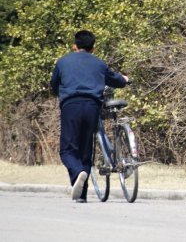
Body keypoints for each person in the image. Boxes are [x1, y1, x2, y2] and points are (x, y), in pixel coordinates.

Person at [50, 30, 129, 203]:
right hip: (92, 107)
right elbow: (115, 79)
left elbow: (54, 85)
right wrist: (124, 80)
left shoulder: (63, 62)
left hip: (71, 106)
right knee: (86, 149)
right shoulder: (99, 63)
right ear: (93, 48)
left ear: (74, 45)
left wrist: (61, 94)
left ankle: (78, 172)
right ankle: (82, 195)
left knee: (68, 150)